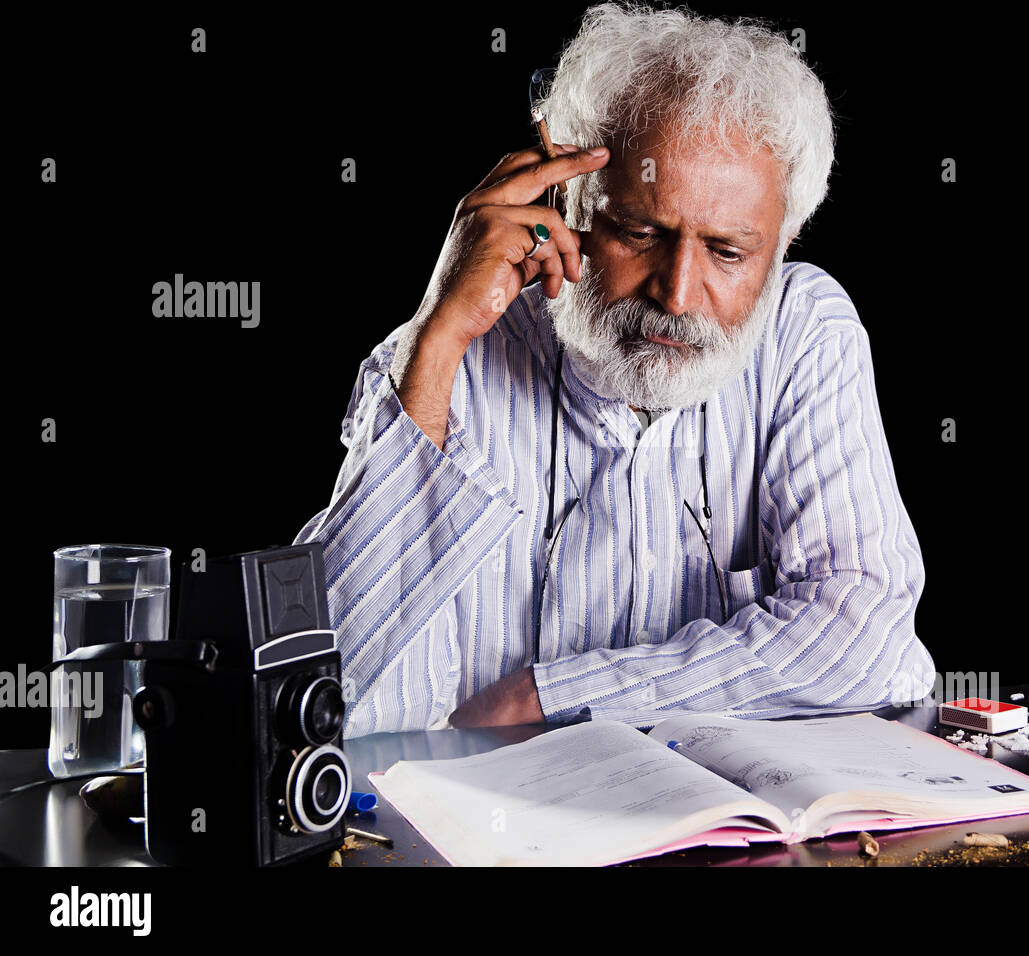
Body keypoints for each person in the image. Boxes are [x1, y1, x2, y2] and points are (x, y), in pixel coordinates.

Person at [294, 3, 935, 736]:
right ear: (562, 196)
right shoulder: (445, 362)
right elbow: (328, 694)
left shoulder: (804, 329)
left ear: (785, 241)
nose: (677, 294)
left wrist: (552, 695)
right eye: (639, 231)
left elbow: (864, 639)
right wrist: (436, 341)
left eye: (727, 251)